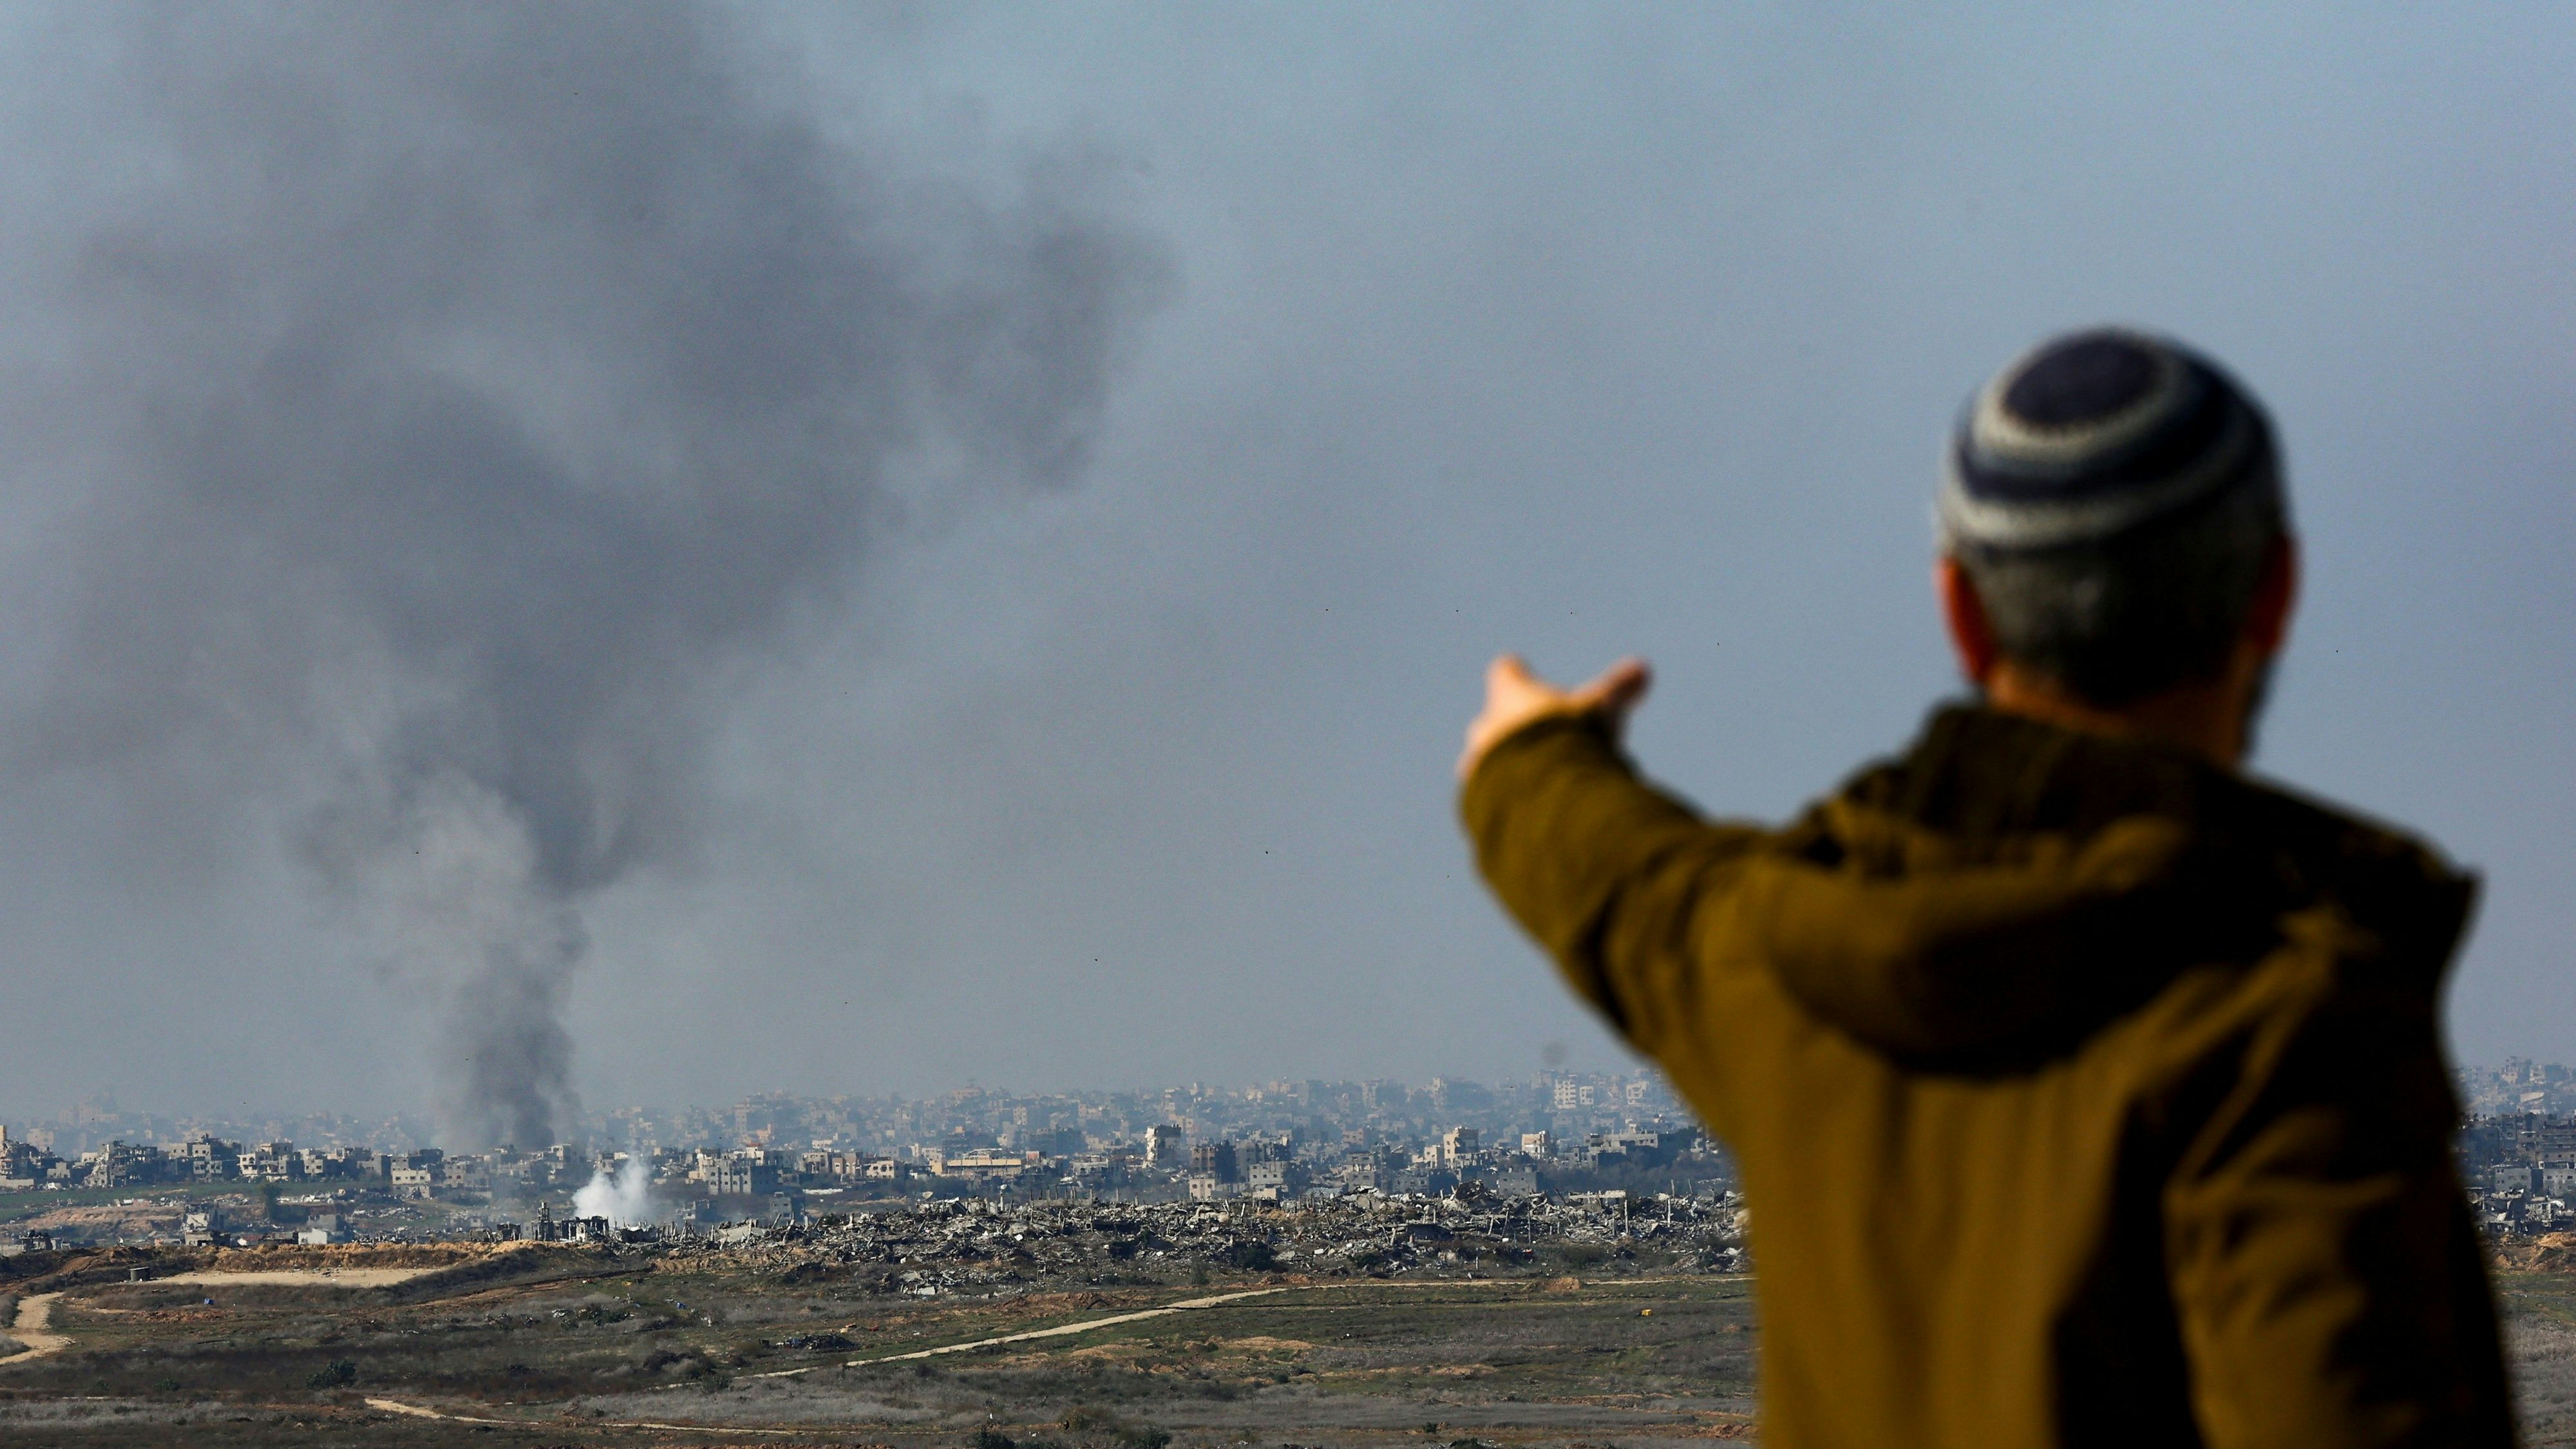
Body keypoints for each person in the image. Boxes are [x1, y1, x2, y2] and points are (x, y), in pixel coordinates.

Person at [1457, 329, 2514, 1448]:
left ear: (1960, 609)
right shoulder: (2281, 1032)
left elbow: (1620, 877)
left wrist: (1529, 755)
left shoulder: (1779, 954)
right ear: (2277, 593)